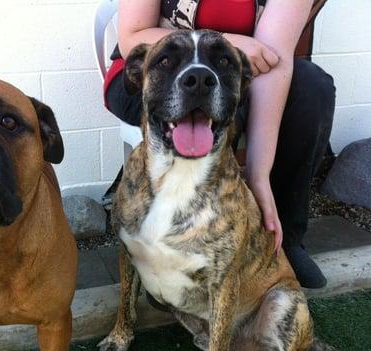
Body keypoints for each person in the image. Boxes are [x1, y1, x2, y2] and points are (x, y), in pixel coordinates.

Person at [103, 0, 335, 288]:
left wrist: (258, 173)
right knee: (216, 107)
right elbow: (132, 35)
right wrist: (228, 42)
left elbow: (273, 60)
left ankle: (280, 239)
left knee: (313, 88)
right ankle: (165, 251)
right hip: (158, 67)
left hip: (229, 72)